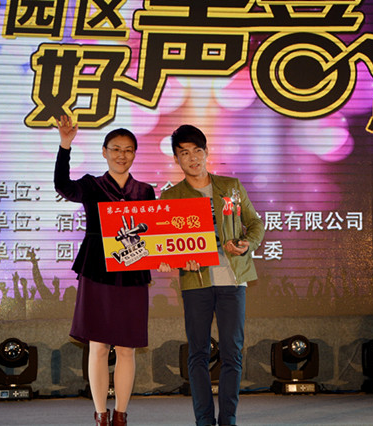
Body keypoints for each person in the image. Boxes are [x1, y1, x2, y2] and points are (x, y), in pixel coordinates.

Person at [158, 125, 265, 426]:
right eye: (184, 153)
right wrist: (177, 260)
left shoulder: (231, 186)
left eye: (197, 151)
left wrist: (246, 244)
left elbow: (255, 224)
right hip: (196, 284)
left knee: (232, 353)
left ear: (206, 152)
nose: (192, 158)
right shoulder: (171, 196)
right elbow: (165, 245)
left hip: (233, 279)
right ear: (176, 159)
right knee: (198, 354)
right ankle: (204, 421)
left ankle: (228, 419)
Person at [54, 115, 156, 426]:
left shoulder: (145, 191)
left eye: (128, 150)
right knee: (98, 346)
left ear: (134, 154)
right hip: (97, 270)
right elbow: (62, 186)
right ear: (104, 152)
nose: (121, 155)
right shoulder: (91, 185)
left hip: (133, 274)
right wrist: (65, 145)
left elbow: (153, 236)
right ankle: (100, 414)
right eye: (115, 149)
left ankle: (121, 414)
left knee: (127, 349)